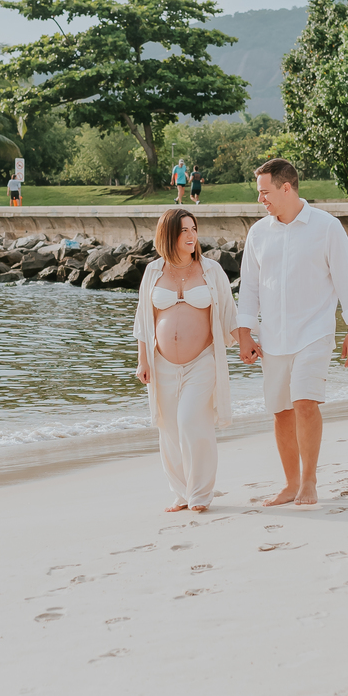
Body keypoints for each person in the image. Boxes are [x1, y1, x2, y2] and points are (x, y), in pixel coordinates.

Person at [237, 158, 348, 508]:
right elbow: (248, 287)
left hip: (314, 332)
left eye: (264, 192)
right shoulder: (259, 233)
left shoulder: (326, 227)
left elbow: (346, 280)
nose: (260, 199)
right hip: (273, 337)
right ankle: (291, 484)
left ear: (286, 188)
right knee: (281, 412)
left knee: (305, 404)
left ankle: (309, 481)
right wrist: (244, 332)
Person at [134, 208, 239, 514]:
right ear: (168, 234)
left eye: (193, 229)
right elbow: (143, 318)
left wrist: (247, 342)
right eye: (184, 231)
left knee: (191, 421)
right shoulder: (153, 272)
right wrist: (143, 360)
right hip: (161, 363)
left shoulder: (211, 271)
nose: (192, 236)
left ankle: (201, 494)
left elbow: (229, 313)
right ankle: (181, 492)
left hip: (202, 361)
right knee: (168, 428)